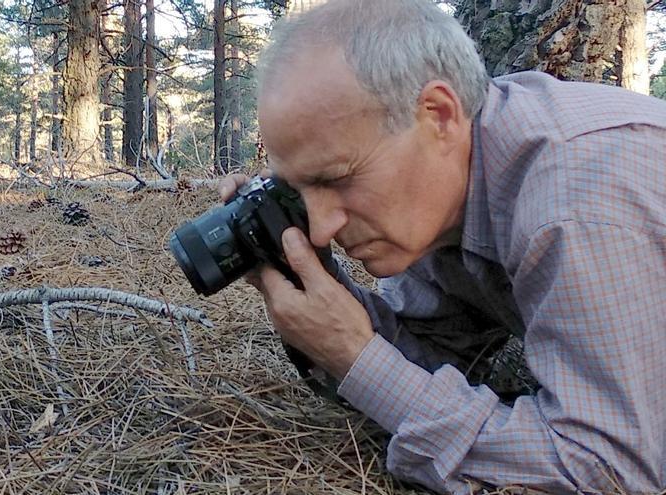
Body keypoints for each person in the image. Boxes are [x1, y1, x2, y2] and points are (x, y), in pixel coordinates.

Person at [218, 0, 666, 492]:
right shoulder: (453, 189)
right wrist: (317, 287)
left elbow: (608, 472)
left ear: (438, 115)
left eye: (338, 178)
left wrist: (357, 358)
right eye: (301, 192)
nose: (323, 228)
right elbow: (432, 357)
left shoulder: (575, 203)